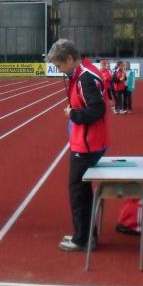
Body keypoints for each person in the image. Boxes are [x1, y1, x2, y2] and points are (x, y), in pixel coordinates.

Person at [46, 39, 109, 252]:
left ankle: (82, 239)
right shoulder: (82, 74)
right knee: (81, 190)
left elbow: (97, 110)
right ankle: (86, 235)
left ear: (70, 58)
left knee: (78, 192)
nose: (59, 70)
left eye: (59, 65)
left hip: (88, 144)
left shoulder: (85, 78)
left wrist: (73, 114)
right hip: (87, 141)